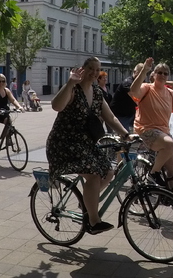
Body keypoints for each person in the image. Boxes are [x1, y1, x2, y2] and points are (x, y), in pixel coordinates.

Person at [46, 57, 129, 234]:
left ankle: (87, 200)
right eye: (90, 68)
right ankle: (93, 221)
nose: (94, 72)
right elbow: (56, 106)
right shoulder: (73, 89)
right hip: (64, 143)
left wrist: (125, 134)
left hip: (85, 144)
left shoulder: (97, 92)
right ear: (82, 69)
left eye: (97, 69)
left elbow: (111, 118)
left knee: (109, 171)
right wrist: (69, 83)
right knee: (93, 174)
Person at [130, 58, 173, 189]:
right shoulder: (147, 88)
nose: (162, 75)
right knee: (169, 144)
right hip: (145, 129)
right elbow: (134, 90)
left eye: (165, 73)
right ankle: (153, 173)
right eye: (160, 72)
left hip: (163, 132)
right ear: (154, 74)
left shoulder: (170, 93)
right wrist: (145, 69)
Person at [109, 63, 143, 133]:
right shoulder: (128, 82)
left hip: (130, 113)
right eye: (140, 74)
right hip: (121, 114)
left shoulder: (140, 83)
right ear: (134, 72)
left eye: (144, 74)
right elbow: (134, 96)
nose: (142, 77)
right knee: (124, 135)